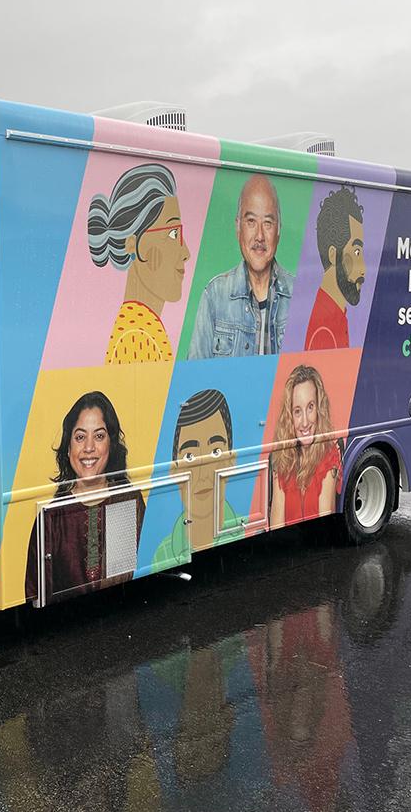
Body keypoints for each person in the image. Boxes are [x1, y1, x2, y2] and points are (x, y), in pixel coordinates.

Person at [25, 391, 145, 602]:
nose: (89, 448)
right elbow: (35, 594)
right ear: (68, 446)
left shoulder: (128, 501)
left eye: (99, 436)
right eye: (80, 437)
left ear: (111, 444)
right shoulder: (51, 517)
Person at [88, 164, 189, 364]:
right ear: (133, 244)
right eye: (172, 233)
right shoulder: (138, 337)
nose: (186, 252)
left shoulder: (144, 327)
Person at [188, 174, 294, 358]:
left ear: (279, 230)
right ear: (238, 227)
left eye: (268, 223)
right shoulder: (215, 296)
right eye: (251, 222)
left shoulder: (300, 296)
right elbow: (196, 379)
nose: (259, 236)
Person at [153, 390, 240, 566]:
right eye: (189, 456)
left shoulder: (245, 529)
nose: (203, 474)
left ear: (231, 461)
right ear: (173, 471)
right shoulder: (160, 554)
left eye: (216, 452)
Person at [269, 365, 341, 527]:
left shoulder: (329, 457)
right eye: (297, 411)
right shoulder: (282, 460)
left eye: (310, 407)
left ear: (319, 409)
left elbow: (324, 525)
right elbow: (276, 525)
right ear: (289, 417)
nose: (305, 422)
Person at [305, 186, 366, 350]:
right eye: (356, 251)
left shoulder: (336, 316)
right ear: (333, 255)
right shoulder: (324, 331)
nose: (364, 270)